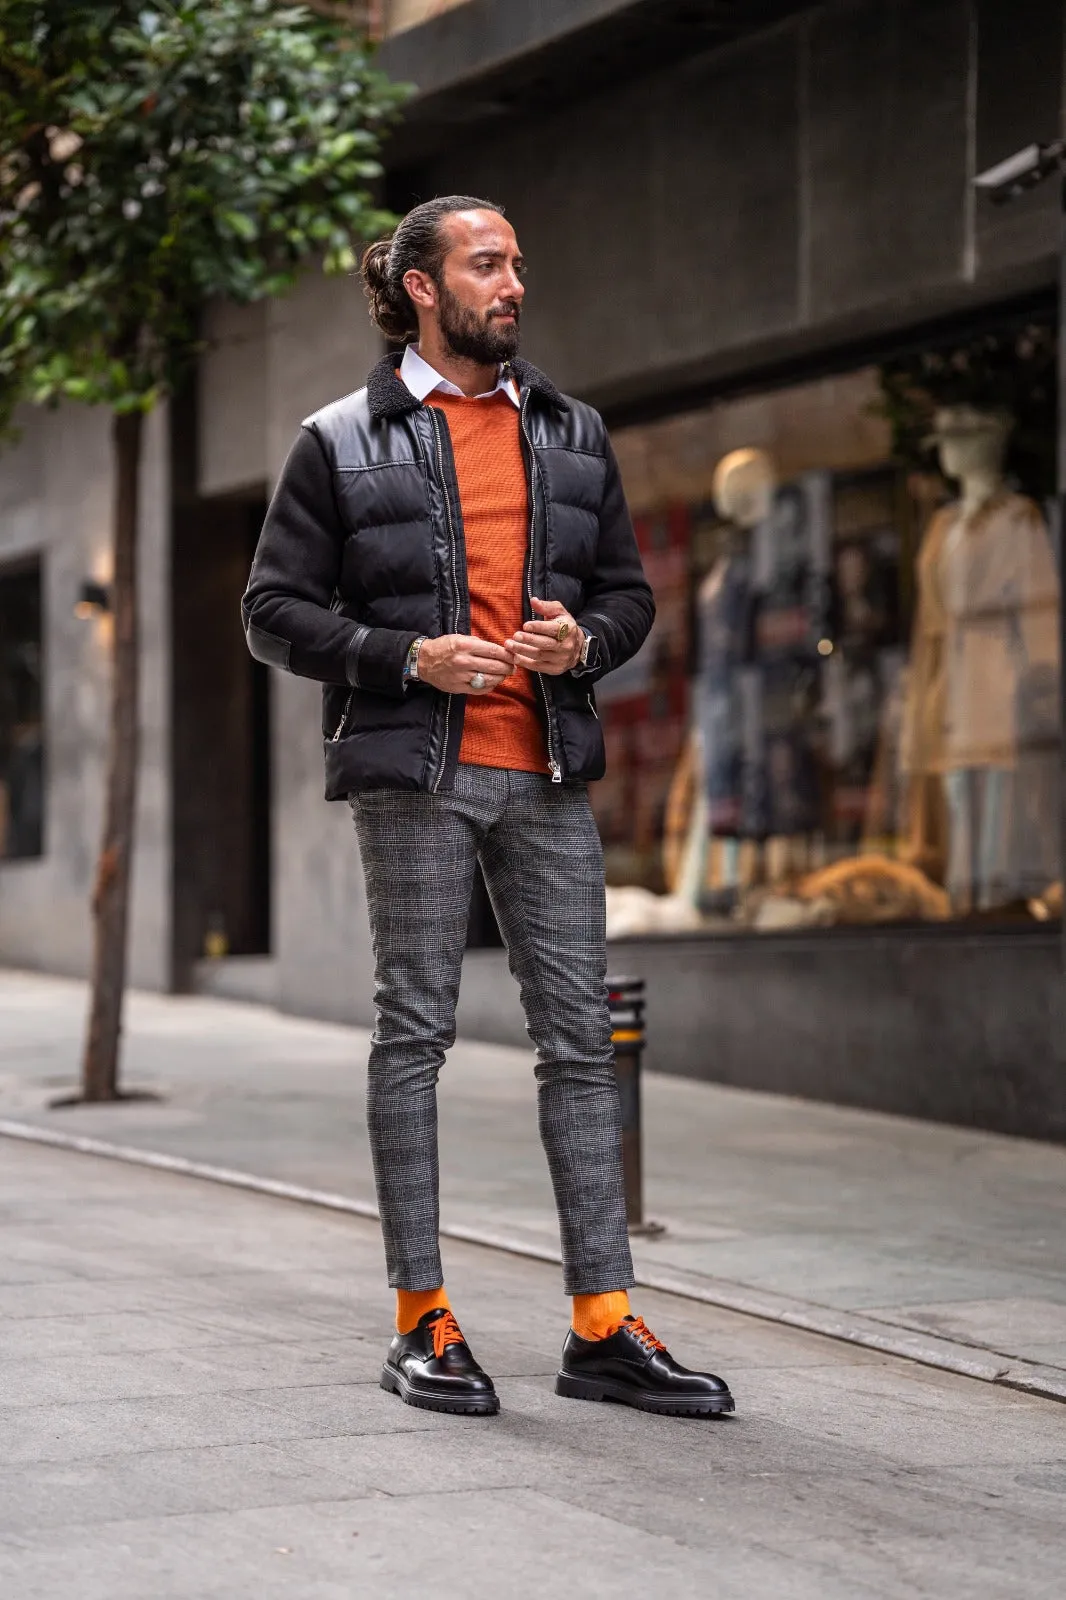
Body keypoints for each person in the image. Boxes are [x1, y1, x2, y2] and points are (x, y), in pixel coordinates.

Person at [243, 195, 734, 1421]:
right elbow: (272, 611)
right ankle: (422, 1319)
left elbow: (628, 594)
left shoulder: (570, 428)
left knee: (578, 1040)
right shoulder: (339, 440)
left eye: (517, 261)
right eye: (487, 263)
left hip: (549, 769)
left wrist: (585, 641)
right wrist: (407, 657)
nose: (513, 282)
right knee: (414, 1031)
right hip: (417, 771)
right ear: (421, 286)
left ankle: (603, 1322)